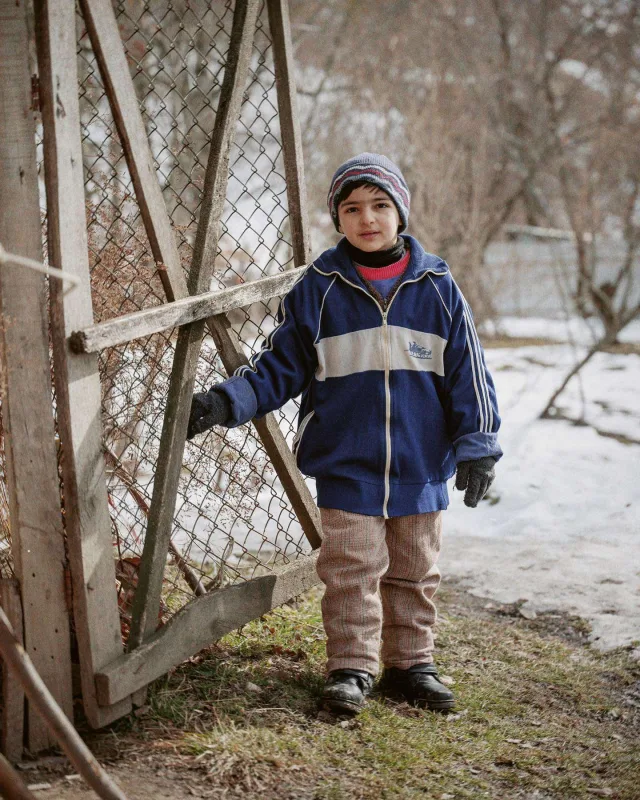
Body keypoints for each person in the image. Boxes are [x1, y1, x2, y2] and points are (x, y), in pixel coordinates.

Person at [187, 153, 502, 715]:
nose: (367, 218)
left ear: (400, 212)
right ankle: (351, 667)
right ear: (338, 218)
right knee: (351, 570)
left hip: (421, 462)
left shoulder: (437, 287)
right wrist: (224, 402)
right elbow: (277, 368)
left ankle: (411, 665)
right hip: (346, 462)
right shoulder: (319, 289)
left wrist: (477, 447)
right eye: (352, 208)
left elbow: (469, 375)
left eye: (380, 205)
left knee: (414, 570)